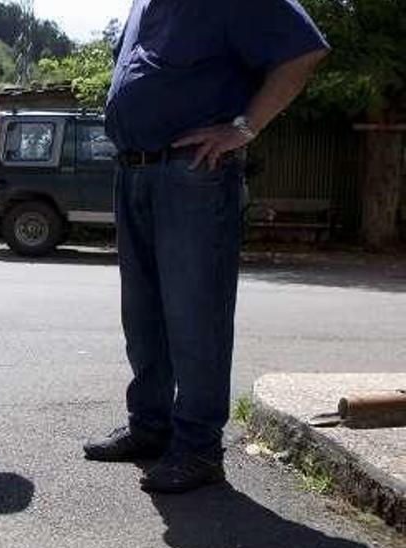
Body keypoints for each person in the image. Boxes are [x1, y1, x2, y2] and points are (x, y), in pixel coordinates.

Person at [84, 0, 329, 494]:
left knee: (196, 316)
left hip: (193, 174)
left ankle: (198, 448)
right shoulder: (140, 6)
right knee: (143, 313)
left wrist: (243, 127)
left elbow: (303, 52)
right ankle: (150, 427)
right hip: (134, 171)